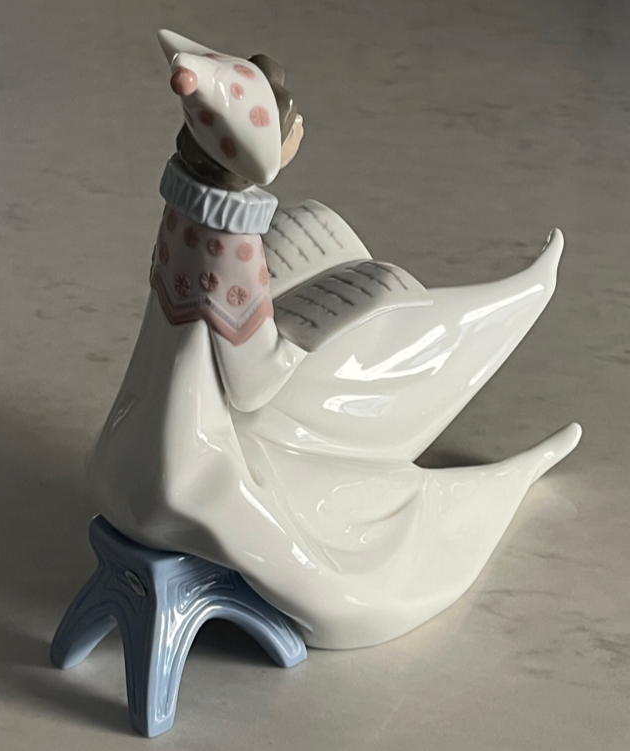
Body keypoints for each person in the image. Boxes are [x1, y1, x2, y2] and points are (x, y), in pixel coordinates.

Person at [87, 31, 581, 650]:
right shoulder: (231, 246)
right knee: (352, 548)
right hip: (185, 475)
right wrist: (310, 332)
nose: (298, 130)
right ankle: (494, 481)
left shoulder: (183, 215)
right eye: (286, 127)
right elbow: (251, 383)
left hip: (125, 450)